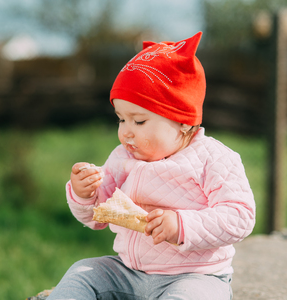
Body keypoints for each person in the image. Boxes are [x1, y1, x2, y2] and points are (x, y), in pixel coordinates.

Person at [47, 32, 256, 300]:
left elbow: (240, 216)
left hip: (196, 275)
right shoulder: (122, 157)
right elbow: (98, 216)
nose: (127, 132)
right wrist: (84, 194)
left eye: (139, 121)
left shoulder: (213, 158)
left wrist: (182, 225)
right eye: (121, 119)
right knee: (82, 273)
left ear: (181, 120)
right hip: (128, 271)